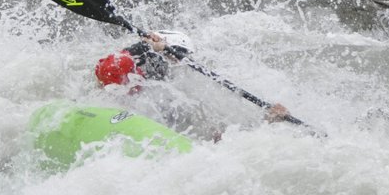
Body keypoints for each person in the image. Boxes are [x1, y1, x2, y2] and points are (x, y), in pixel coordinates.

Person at [95, 32, 291, 136]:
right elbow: (110, 70)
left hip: (170, 130)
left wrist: (266, 122)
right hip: (118, 114)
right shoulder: (132, 59)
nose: (179, 62)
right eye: (178, 55)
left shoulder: (177, 94)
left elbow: (217, 134)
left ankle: (267, 121)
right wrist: (150, 45)